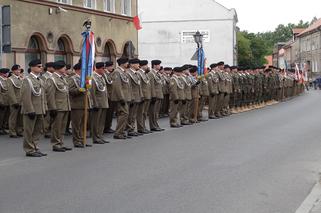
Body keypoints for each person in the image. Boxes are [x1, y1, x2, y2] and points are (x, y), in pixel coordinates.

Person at [21, 59, 47, 157]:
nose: (41, 68)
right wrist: (30, 110)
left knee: (37, 130)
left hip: (39, 109)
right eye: (39, 66)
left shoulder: (40, 80)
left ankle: (35, 147)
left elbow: (43, 96)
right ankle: (29, 150)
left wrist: (44, 109)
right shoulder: (27, 80)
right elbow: (26, 97)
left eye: (41, 66)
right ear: (32, 67)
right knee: (29, 131)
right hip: (31, 110)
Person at [46, 61, 72, 152]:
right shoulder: (52, 79)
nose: (66, 69)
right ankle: (56, 144)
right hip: (58, 107)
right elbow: (50, 95)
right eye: (64, 67)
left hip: (65, 106)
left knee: (62, 127)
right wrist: (52, 108)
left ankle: (61, 143)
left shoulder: (63, 78)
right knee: (56, 126)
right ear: (59, 68)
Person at [68, 63, 92, 148]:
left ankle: (82, 140)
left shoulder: (85, 79)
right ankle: (77, 141)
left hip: (85, 104)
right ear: (78, 70)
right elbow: (71, 90)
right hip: (77, 105)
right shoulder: (72, 79)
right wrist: (80, 89)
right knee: (76, 125)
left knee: (83, 124)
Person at [110, 57, 131, 139]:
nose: (128, 64)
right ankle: (118, 133)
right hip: (121, 98)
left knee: (123, 114)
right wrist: (121, 98)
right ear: (122, 63)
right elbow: (117, 86)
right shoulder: (117, 72)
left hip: (125, 97)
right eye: (126, 62)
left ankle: (121, 132)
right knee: (124, 114)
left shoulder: (123, 72)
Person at [90, 62, 110, 144]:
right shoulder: (92, 77)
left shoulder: (101, 77)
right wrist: (94, 103)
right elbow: (92, 92)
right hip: (97, 103)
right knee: (96, 121)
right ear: (98, 69)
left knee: (101, 122)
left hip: (103, 102)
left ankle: (100, 136)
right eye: (103, 68)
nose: (104, 70)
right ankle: (95, 137)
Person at [126, 58, 143, 137]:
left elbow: (139, 86)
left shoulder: (136, 73)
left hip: (137, 97)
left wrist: (141, 95)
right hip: (132, 97)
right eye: (137, 63)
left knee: (134, 115)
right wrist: (131, 97)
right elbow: (129, 87)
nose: (138, 65)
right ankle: (130, 129)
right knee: (130, 114)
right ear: (132, 65)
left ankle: (132, 128)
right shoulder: (128, 73)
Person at [148, 60, 165, 132]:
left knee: (156, 112)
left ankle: (156, 124)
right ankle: (153, 126)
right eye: (158, 65)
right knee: (153, 112)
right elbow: (151, 86)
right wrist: (153, 96)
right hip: (155, 96)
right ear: (154, 65)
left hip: (159, 95)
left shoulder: (157, 74)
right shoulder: (151, 73)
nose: (159, 66)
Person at [7, 64, 23, 138]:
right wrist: (14, 101)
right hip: (15, 101)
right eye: (17, 70)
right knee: (13, 117)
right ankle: (12, 132)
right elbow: (11, 92)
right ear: (13, 71)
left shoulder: (20, 79)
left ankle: (19, 131)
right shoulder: (10, 79)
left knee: (20, 117)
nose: (19, 71)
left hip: (21, 101)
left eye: (19, 70)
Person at [136, 60, 152, 134]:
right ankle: (140, 128)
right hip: (143, 96)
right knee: (141, 113)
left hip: (147, 95)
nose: (147, 66)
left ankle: (143, 126)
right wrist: (141, 95)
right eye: (146, 65)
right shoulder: (139, 73)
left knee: (144, 113)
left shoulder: (145, 74)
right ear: (142, 66)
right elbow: (140, 86)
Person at [103, 61, 115, 134]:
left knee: (110, 113)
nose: (112, 68)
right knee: (107, 113)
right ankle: (105, 127)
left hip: (112, 96)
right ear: (107, 67)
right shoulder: (104, 74)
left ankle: (108, 126)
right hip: (107, 96)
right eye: (111, 66)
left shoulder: (109, 74)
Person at [0, 68, 10, 135]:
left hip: (8, 101)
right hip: (2, 101)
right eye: (6, 73)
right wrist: (0, 102)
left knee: (6, 116)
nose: (7, 74)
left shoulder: (7, 80)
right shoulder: (0, 80)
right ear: (2, 73)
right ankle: (0, 128)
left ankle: (4, 127)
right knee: (1, 116)